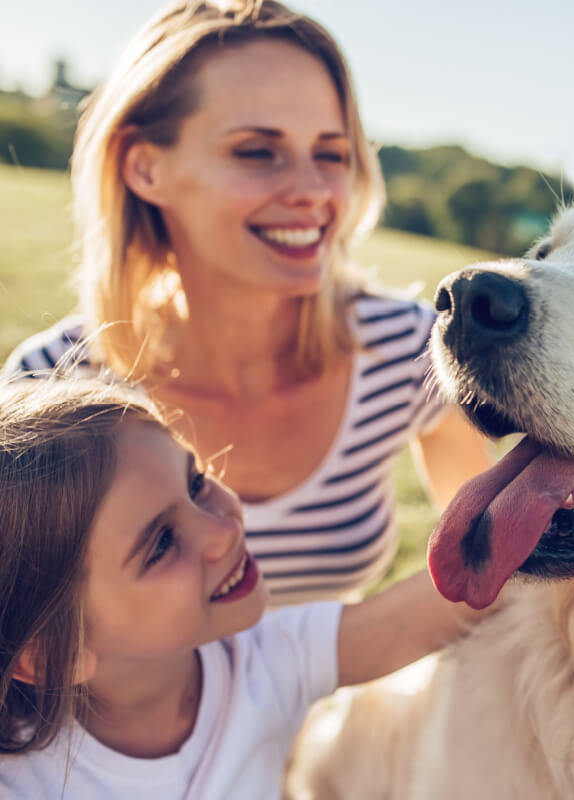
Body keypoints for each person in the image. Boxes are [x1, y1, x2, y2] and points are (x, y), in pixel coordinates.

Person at [2, 0, 496, 604]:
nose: (314, 192)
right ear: (144, 167)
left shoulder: (410, 349)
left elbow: (487, 577)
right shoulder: (48, 388)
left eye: (332, 154)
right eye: (257, 152)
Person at [0, 377, 486, 797]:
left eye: (194, 484)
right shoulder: (19, 780)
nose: (225, 529)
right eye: (162, 544)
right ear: (51, 657)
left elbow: (423, 613)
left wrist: (538, 505)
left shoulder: (264, 662)